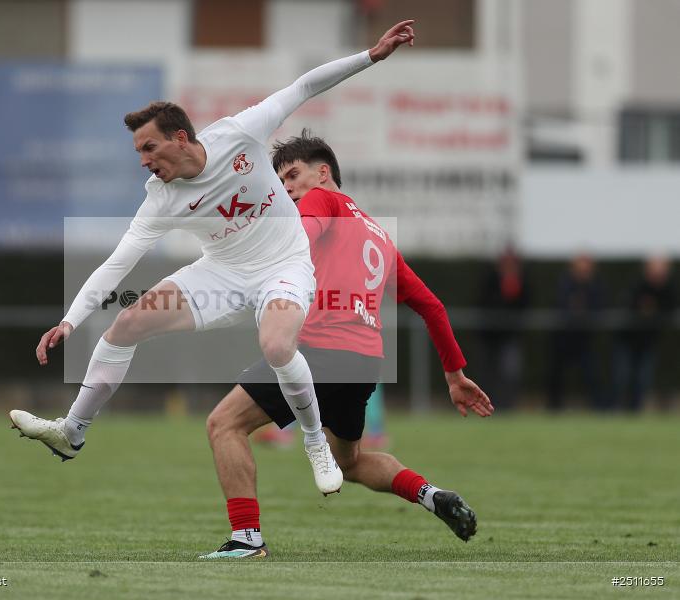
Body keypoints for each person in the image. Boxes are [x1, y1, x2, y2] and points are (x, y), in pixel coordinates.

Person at [9, 21, 418, 496]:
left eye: (149, 147)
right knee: (127, 323)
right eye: (138, 151)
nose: (143, 160)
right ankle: (72, 431)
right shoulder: (160, 199)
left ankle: (314, 442)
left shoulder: (239, 134)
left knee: (277, 346)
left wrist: (370, 56)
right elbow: (117, 264)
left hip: (284, 266)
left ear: (181, 138)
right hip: (221, 276)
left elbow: (304, 86)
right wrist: (70, 321)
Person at [200, 132, 493, 559]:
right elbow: (432, 306)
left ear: (323, 173)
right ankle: (432, 495)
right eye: (281, 182)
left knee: (223, 424)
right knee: (350, 462)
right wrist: (455, 375)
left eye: (293, 175)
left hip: (319, 351)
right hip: (363, 362)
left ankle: (246, 539)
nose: (287, 188)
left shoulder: (320, 200)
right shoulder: (379, 236)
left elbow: (298, 236)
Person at [613, 256, 675, 411]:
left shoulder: (668, 289)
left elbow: (670, 308)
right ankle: (617, 408)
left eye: (661, 271)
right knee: (622, 376)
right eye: (655, 270)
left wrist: (654, 309)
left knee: (643, 378)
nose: (658, 274)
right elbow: (626, 304)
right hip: (627, 339)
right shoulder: (637, 284)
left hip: (648, 342)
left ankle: (636, 409)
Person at [547, 254, 606, 411]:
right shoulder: (564, 282)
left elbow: (599, 306)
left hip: (584, 340)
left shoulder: (595, 284)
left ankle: (600, 408)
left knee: (592, 375)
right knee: (556, 375)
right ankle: (553, 408)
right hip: (563, 339)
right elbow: (560, 303)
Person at [477, 247, 530, 410]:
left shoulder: (522, 281)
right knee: (488, 372)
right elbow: (483, 302)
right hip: (489, 335)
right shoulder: (490, 279)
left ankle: (507, 406)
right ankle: (486, 404)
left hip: (510, 336)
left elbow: (525, 305)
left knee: (510, 373)